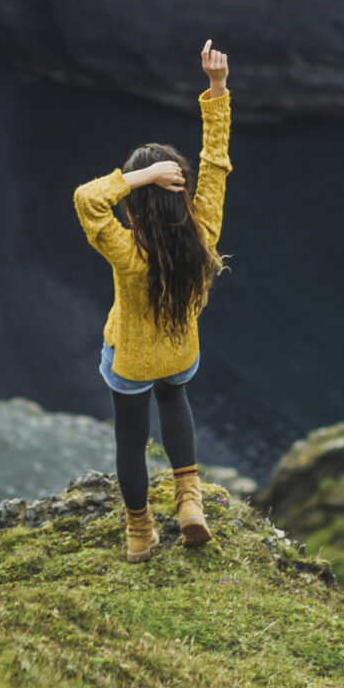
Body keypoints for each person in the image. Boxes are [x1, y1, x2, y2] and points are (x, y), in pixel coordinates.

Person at [72, 40, 232, 562]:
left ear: (138, 203)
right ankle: (190, 504)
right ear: (181, 193)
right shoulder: (203, 235)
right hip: (181, 353)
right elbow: (216, 164)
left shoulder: (128, 254)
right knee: (174, 400)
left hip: (133, 360)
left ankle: (140, 532)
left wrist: (142, 175)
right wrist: (217, 89)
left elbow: (88, 200)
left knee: (131, 440)